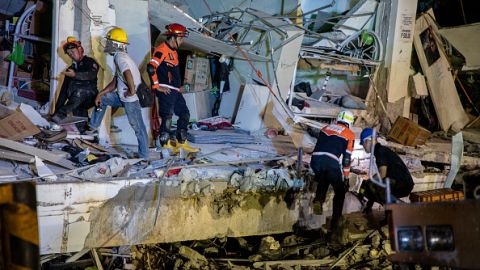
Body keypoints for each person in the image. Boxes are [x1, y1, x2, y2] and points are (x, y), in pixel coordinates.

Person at [89, 27, 149, 159]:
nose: (107, 44)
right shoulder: (120, 56)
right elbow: (116, 81)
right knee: (103, 99)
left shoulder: (120, 58)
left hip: (130, 100)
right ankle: (92, 127)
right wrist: (101, 93)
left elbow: (127, 73)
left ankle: (144, 156)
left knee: (138, 128)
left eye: (110, 42)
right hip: (122, 97)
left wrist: (132, 90)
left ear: (116, 44)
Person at [147, 23, 199, 154]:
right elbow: (151, 67)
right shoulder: (162, 50)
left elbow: (171, 71)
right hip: (166, 90)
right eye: (181, 39)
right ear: (173, 37)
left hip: (174, 90)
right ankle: (164, 145)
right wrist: (157, 86)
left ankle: (181, 143)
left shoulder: (173, 51)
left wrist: (177, 86)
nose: (182, 42)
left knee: (184, 113)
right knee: (167, 117)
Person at [310, 110, 355, 230]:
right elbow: (346, 159)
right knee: (340, 191)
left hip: (315, 160)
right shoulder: (349, 134)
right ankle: (336, 220)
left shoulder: (325, 128)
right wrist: (346, 178)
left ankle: (319, 199)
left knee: (324, 177)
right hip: (330, 161)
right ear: (350, 122)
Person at [359, 128, 415, 213]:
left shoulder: (380, 151)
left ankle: (401, 210)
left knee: (373, 185)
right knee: (372, 185)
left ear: (368, 140)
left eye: (362, 143)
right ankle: (372, 211)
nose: (363, 146)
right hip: (400, 182)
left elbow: (382, 174)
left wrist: (369, 181)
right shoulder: (380, 150)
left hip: (403, 183)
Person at [52, 36, 98, 131]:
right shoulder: (70, 69)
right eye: (69, 54)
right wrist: (56, 112)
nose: (71, 55)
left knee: (80, 92)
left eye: (72, 52)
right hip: (76, 101)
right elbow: (63, 92)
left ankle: (61, 114)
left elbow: (90, 75)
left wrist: (75, 75)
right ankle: (84, 133)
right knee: (80, 122)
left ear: (80, 49)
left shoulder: (90, 62)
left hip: (89, 97)